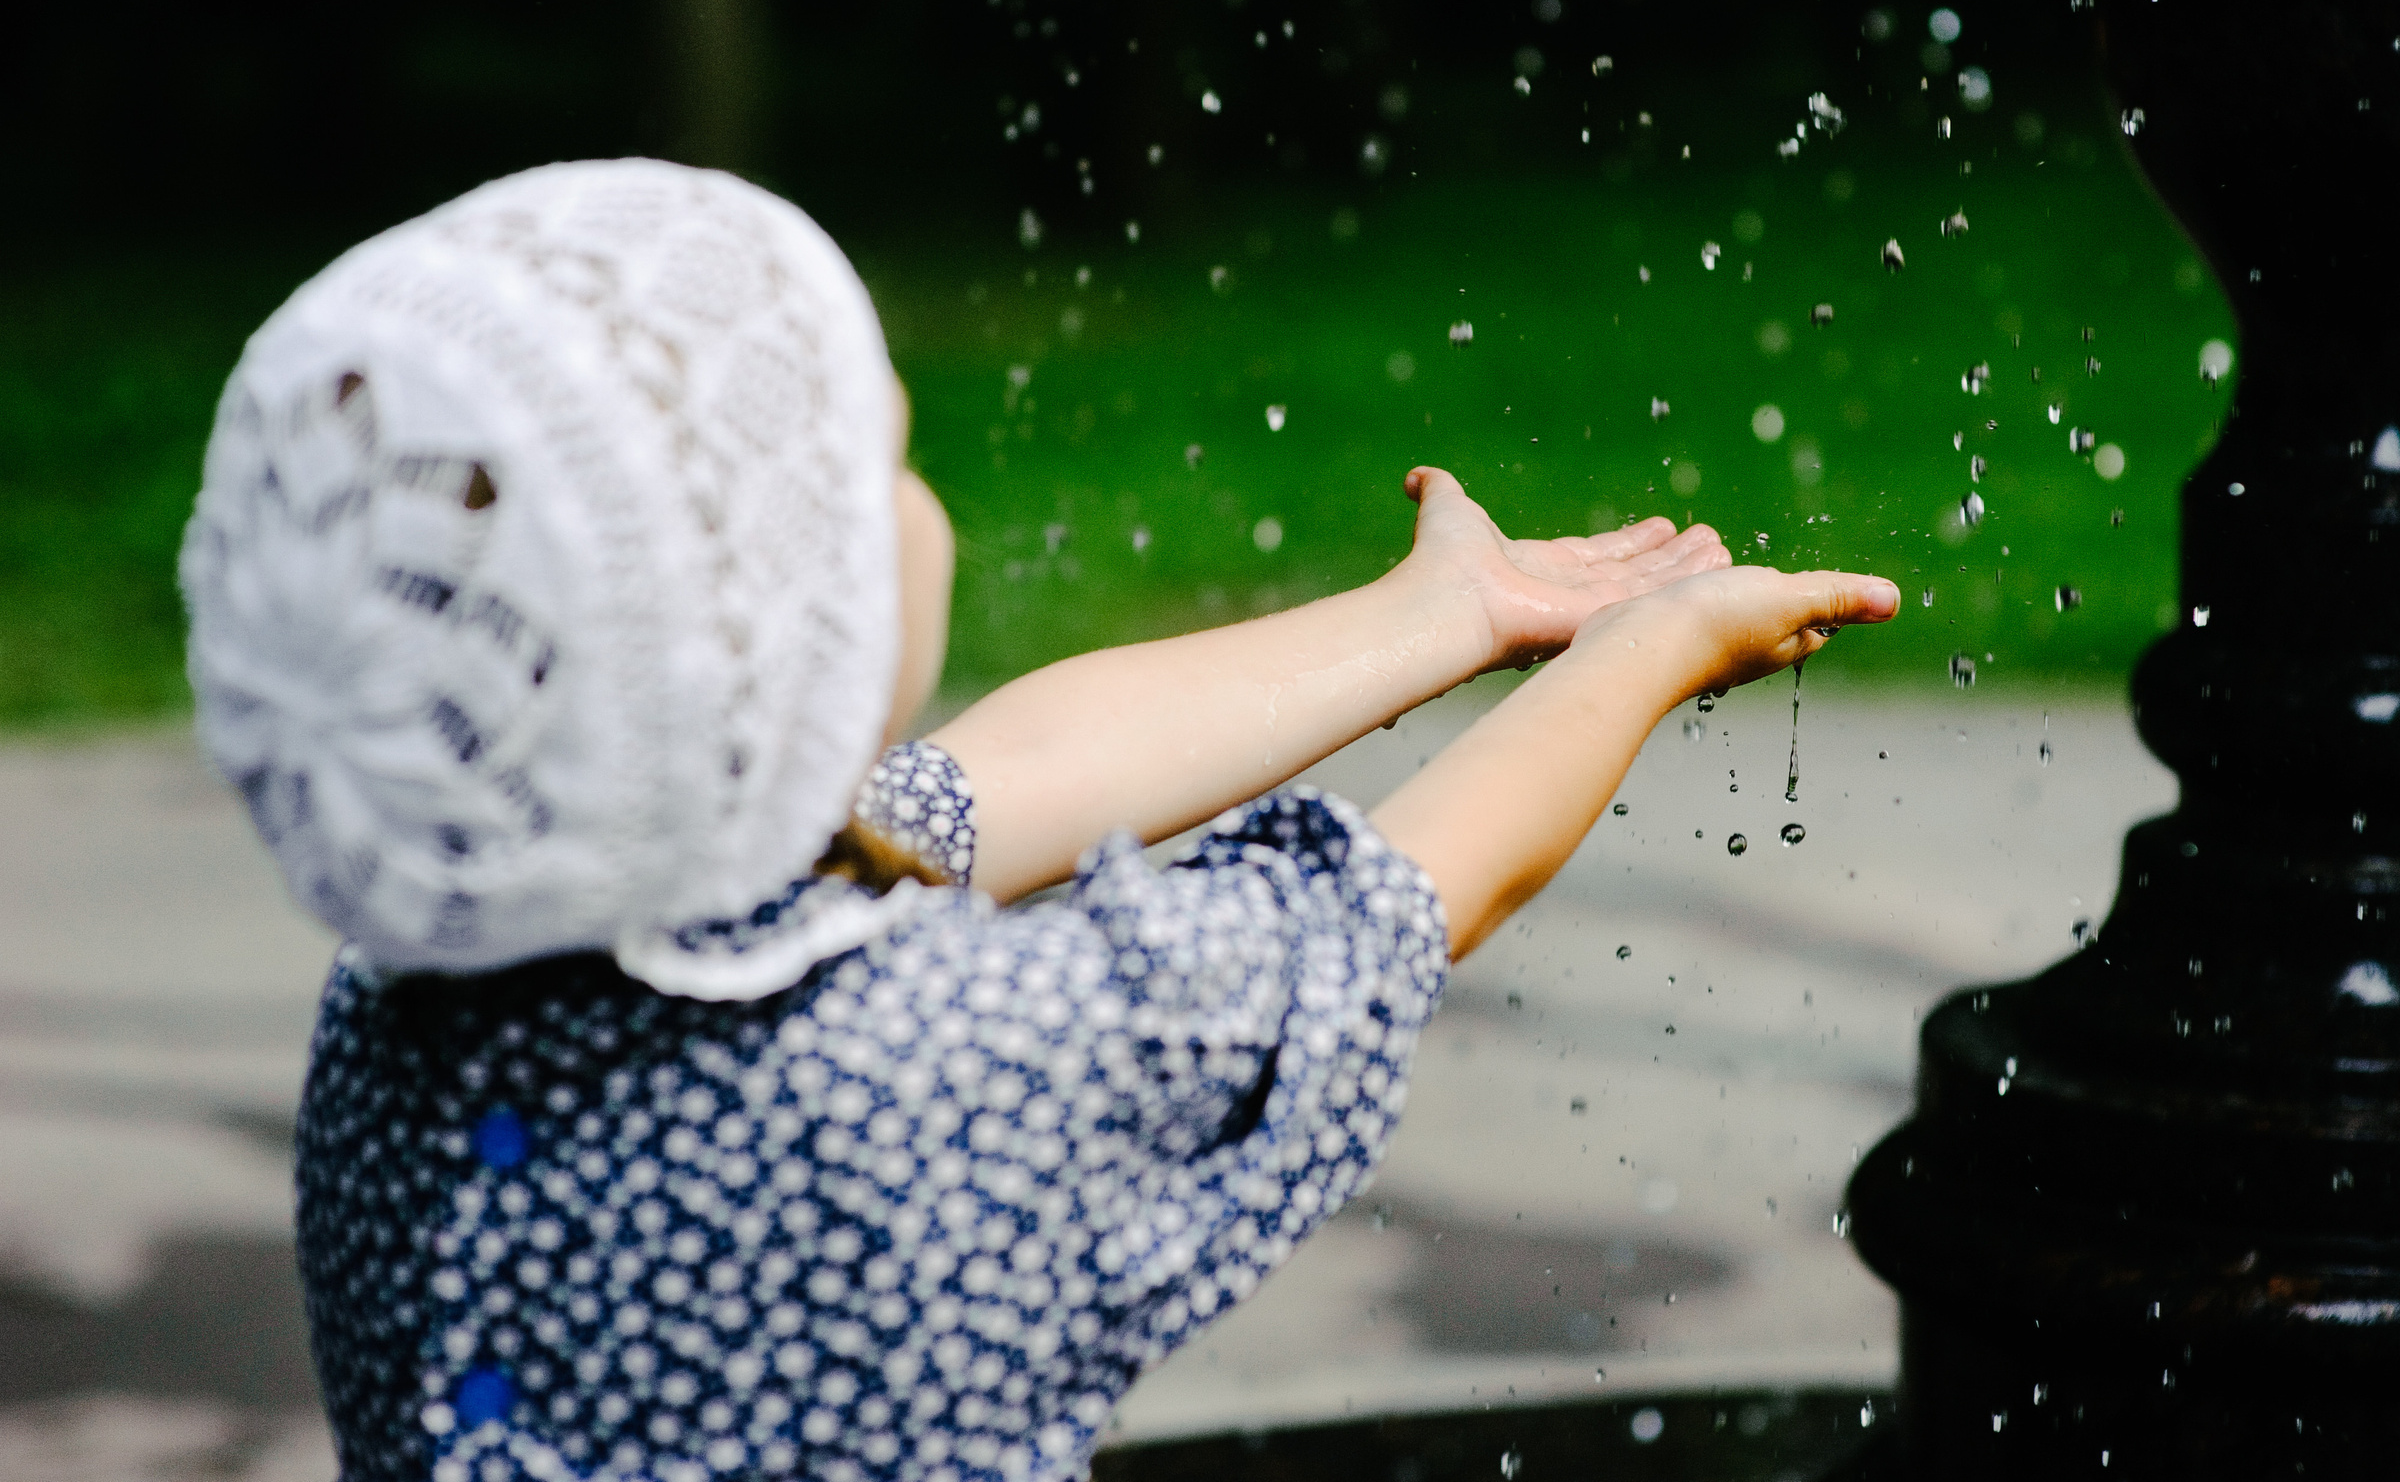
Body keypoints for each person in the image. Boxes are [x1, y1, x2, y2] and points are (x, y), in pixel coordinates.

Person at [182, 160, 1897, 1482]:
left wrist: (1439, 617)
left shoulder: (401, 1018)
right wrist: (1653, 650)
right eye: (882, 469)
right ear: (776, 642)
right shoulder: (959, 1082)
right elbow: (1399, 901)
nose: (916, 501)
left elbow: (1012, 777)